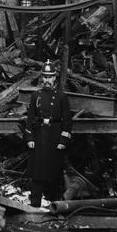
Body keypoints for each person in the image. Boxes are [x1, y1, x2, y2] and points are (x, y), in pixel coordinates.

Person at [24, 60, 72, 208]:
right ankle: (35, 204)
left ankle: (55, 205)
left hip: (54, 135)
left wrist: (63, 140)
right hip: (39, 135)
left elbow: (67, 120)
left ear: (54, 78)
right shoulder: (35, 96)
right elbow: (30, 118)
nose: (47, 80)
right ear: (41, 78)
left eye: (50, 77)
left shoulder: (61, 96)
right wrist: (29, 137)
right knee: (37, 171)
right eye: (44, 77)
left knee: (54, 170)